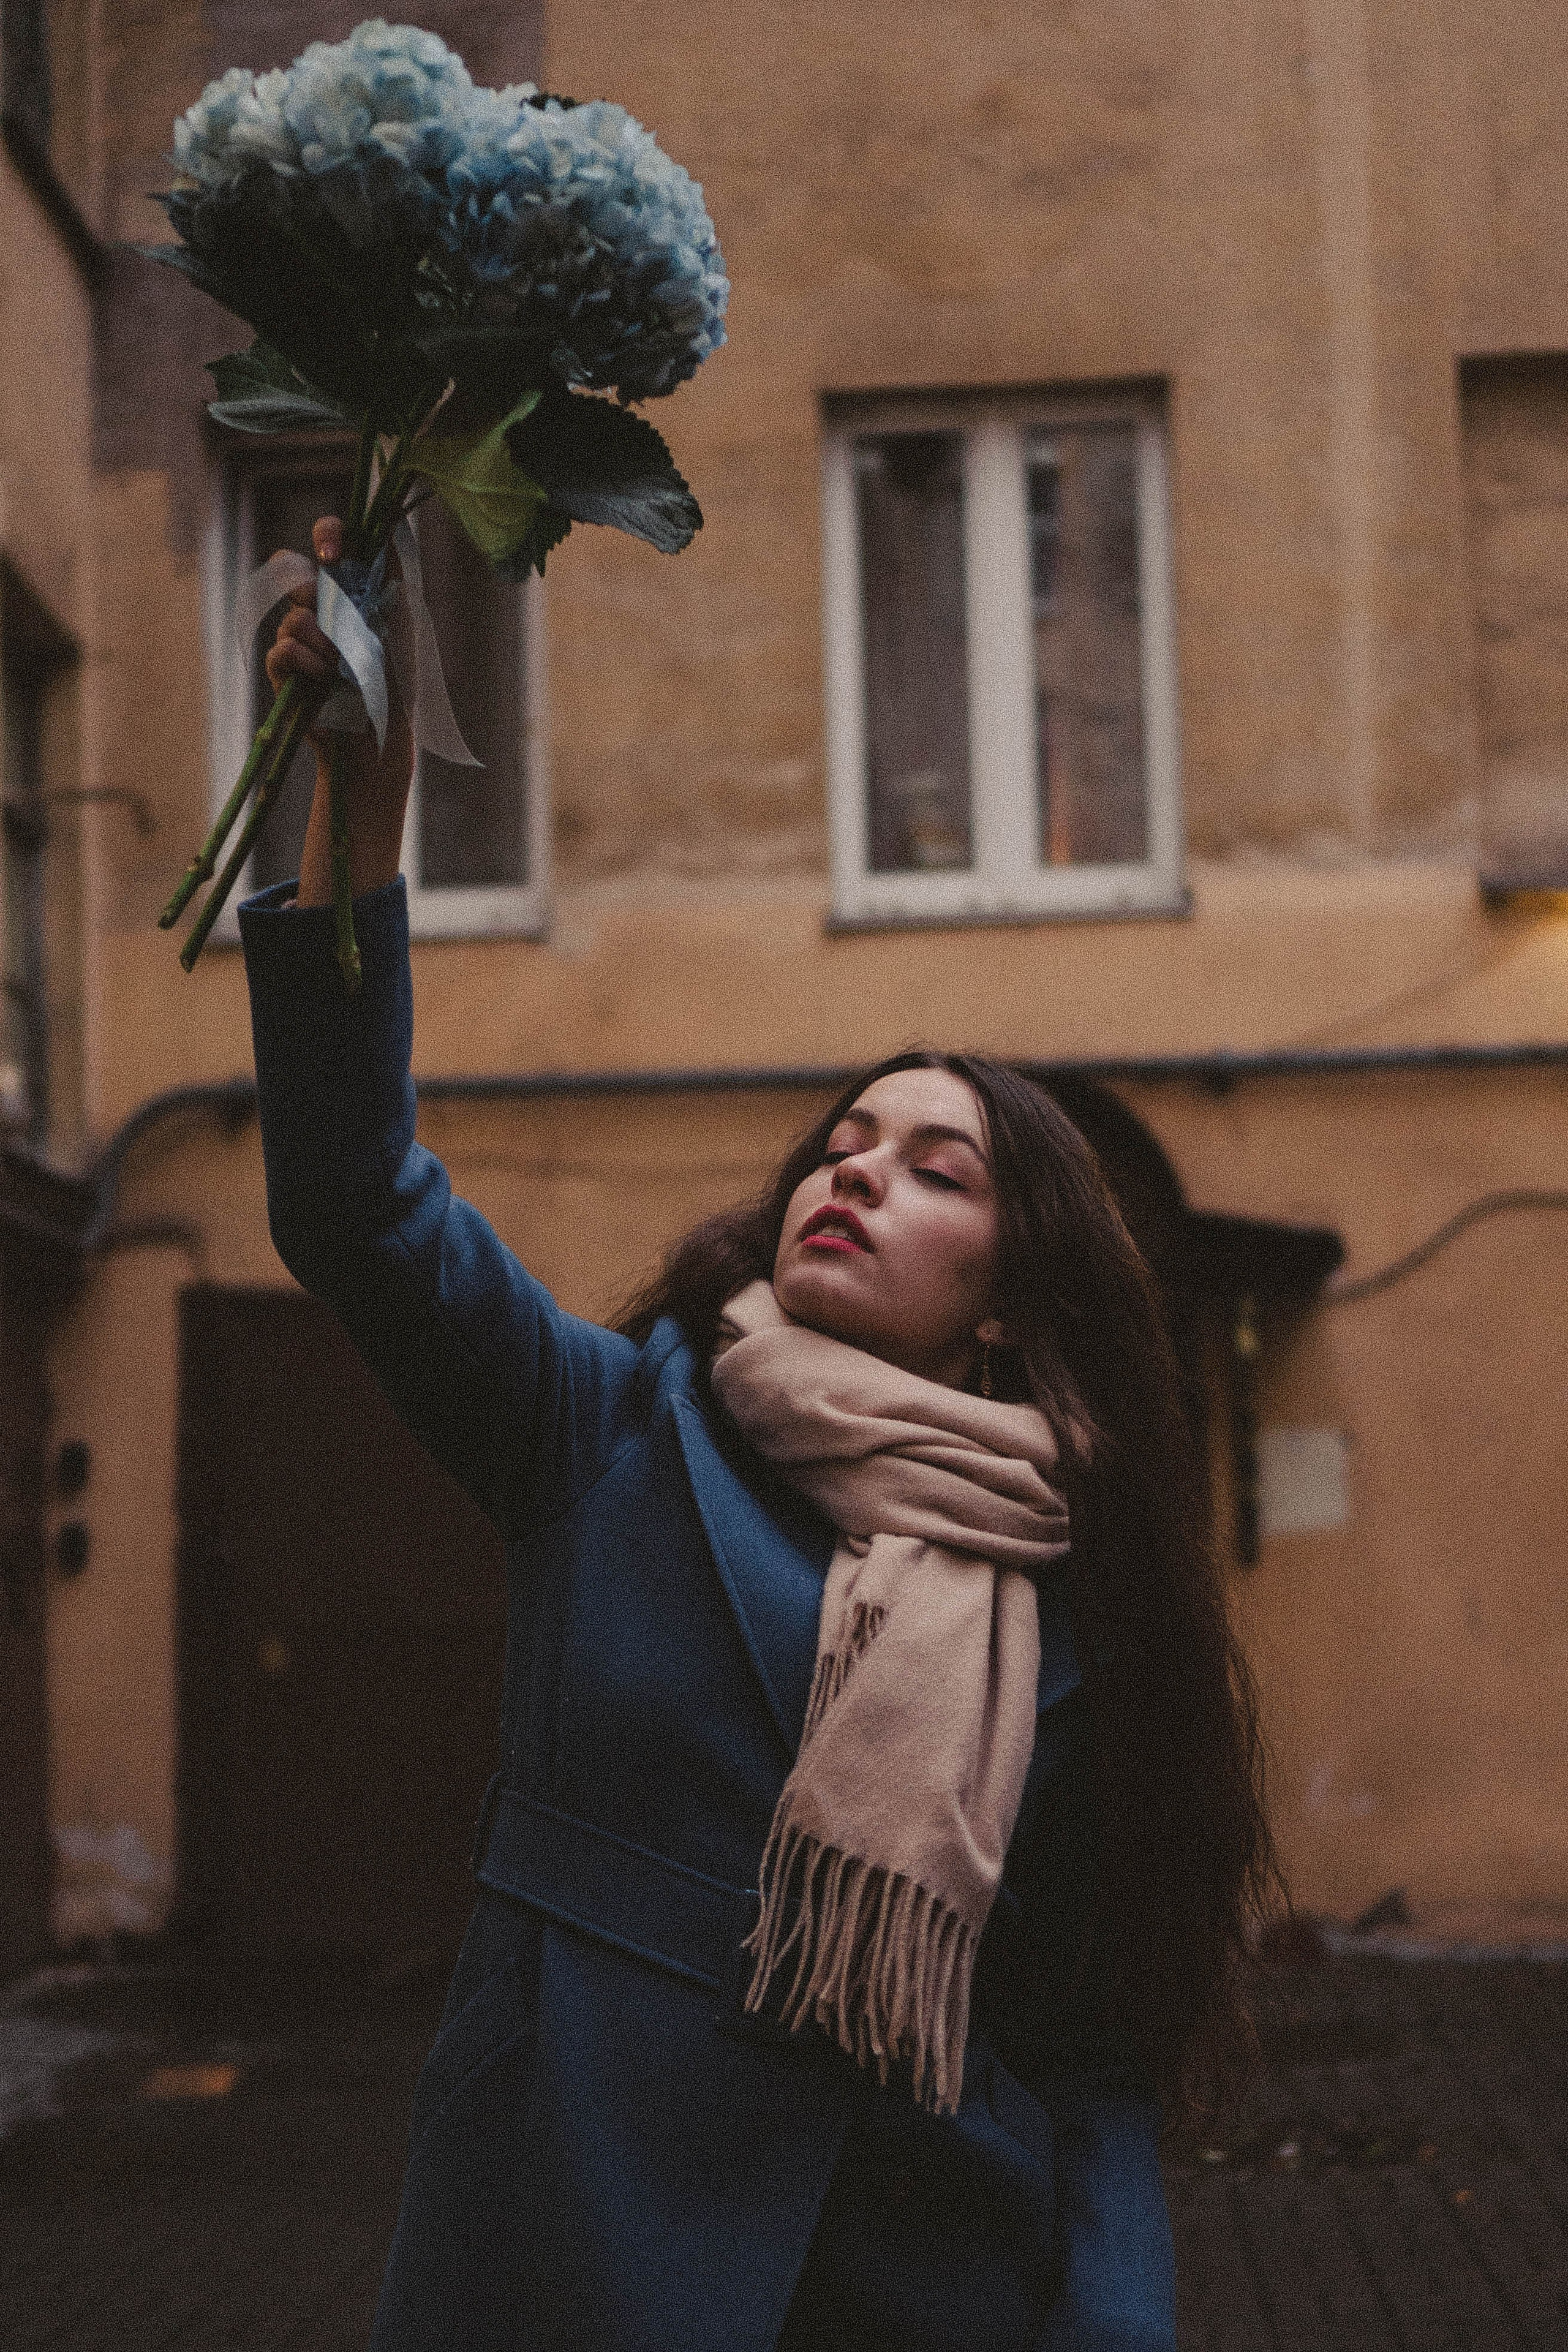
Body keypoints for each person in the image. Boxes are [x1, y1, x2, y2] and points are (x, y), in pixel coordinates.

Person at [242, 518, 1277, 2352]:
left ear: (1016, 1295)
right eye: (843, 1147)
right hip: (574, 2243)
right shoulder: (608, 1433)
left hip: (928, 2276)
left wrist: (1114, 2325)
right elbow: (356, 1205)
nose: (858, 1174)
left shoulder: (1072, 1596)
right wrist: (356, 813)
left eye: (933, 1168)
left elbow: (1091, 2050)